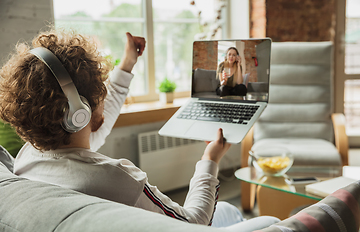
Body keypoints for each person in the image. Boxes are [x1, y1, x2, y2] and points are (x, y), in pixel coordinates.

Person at [0, 30, 279, 230]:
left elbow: (98, 126)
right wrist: (210, 160)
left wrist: (128, 64)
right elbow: (194, 222)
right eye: (101, 92)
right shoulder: (117, 178)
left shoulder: (28, 157)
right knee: (271, 222)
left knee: (229, 210)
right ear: (78, 114)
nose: (103, 98)